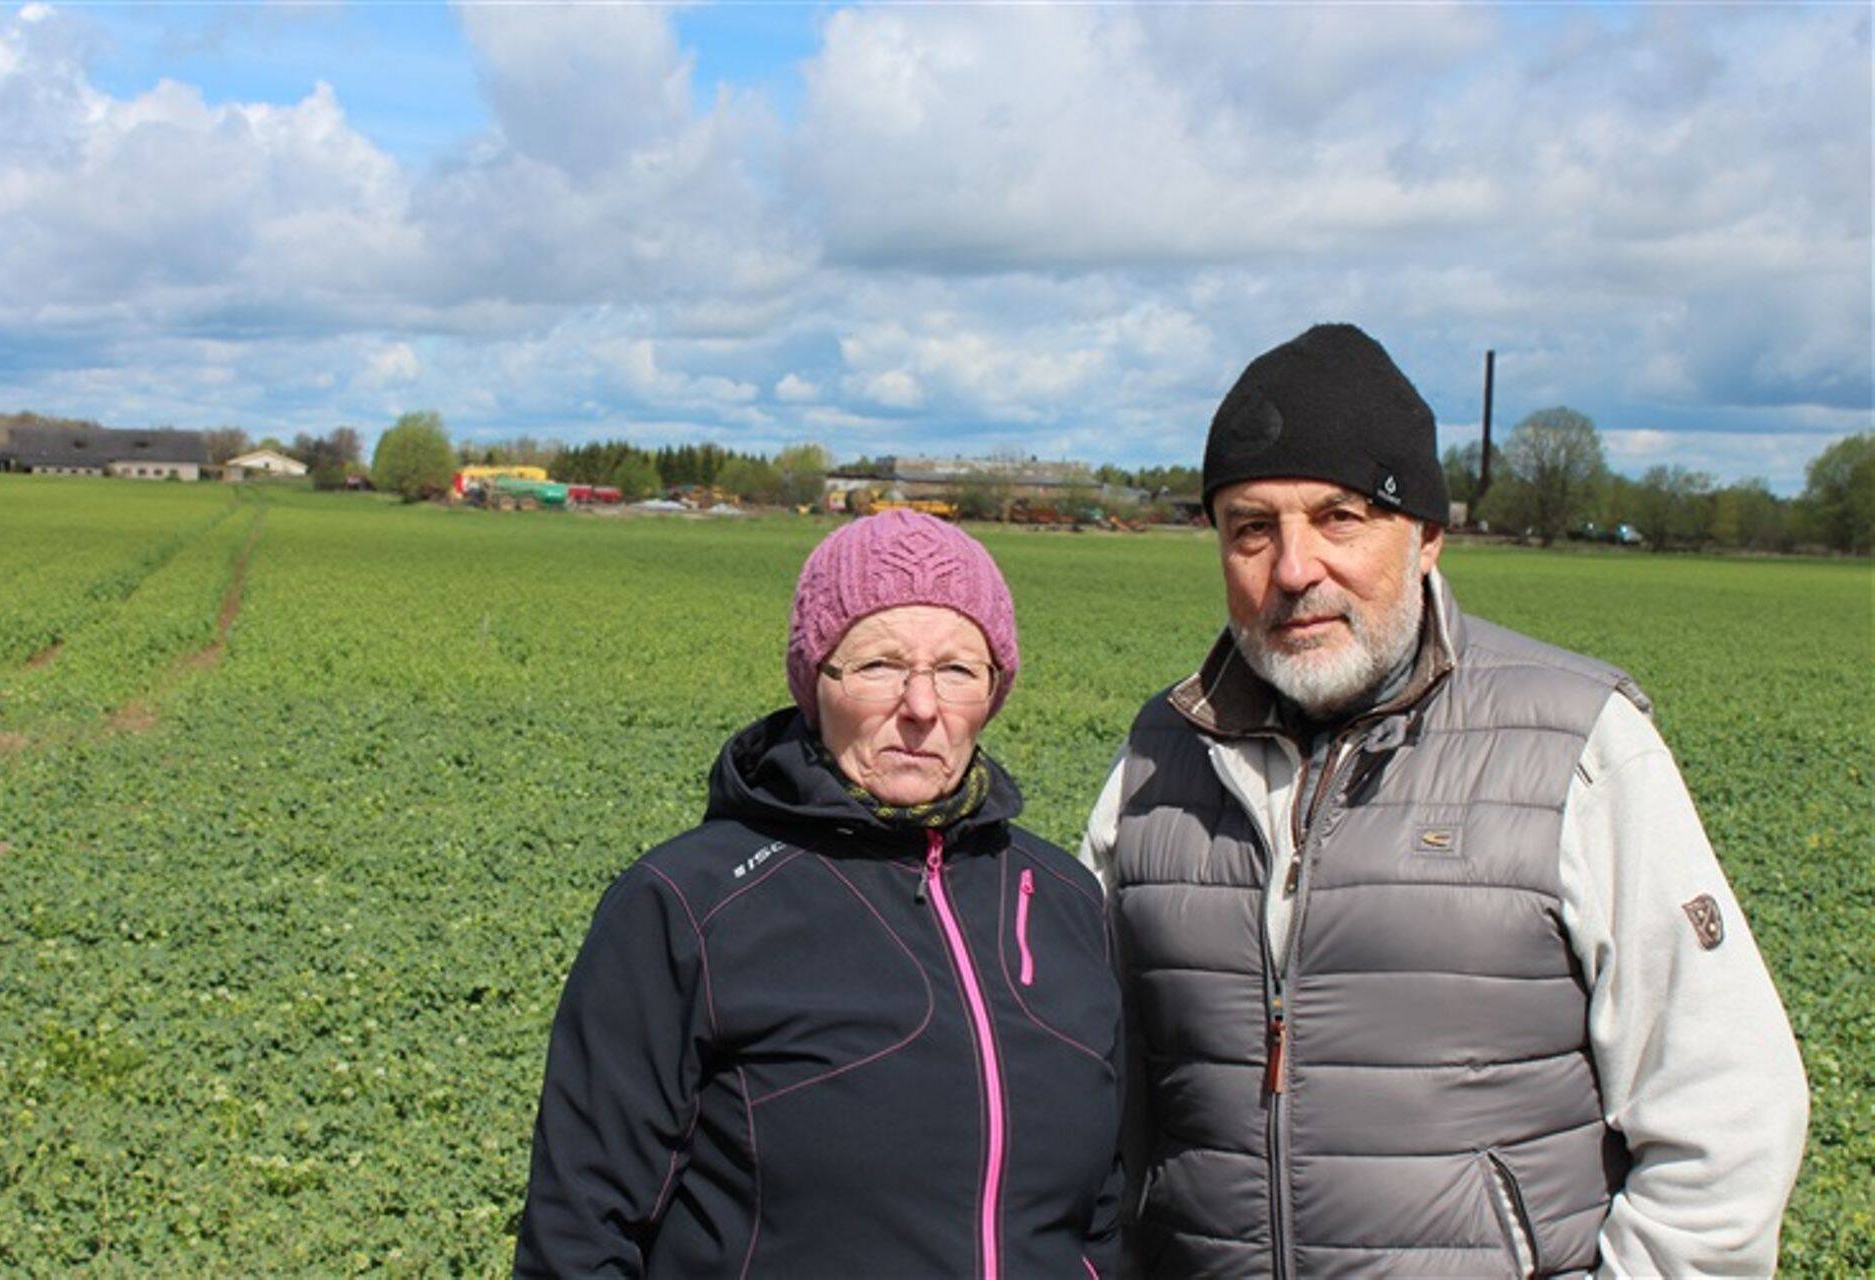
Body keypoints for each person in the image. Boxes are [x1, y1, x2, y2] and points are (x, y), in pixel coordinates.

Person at [1081, 324, 1808, 1277]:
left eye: (1339, 518)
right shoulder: (1158, 759)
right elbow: (1087, 1092)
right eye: (1251, 528)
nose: (1293, 569)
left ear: (1425, 536)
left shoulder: (1577, 745)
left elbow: (1728, 1112)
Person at [518, 508, 1122, 1278]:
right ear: (815, 681)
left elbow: (1103, 1209)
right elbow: (580, 1230)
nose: (921, 706)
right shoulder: (688, 905)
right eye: (877, 665)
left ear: (994, 691)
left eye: (958, 670)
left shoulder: (1062, 899)